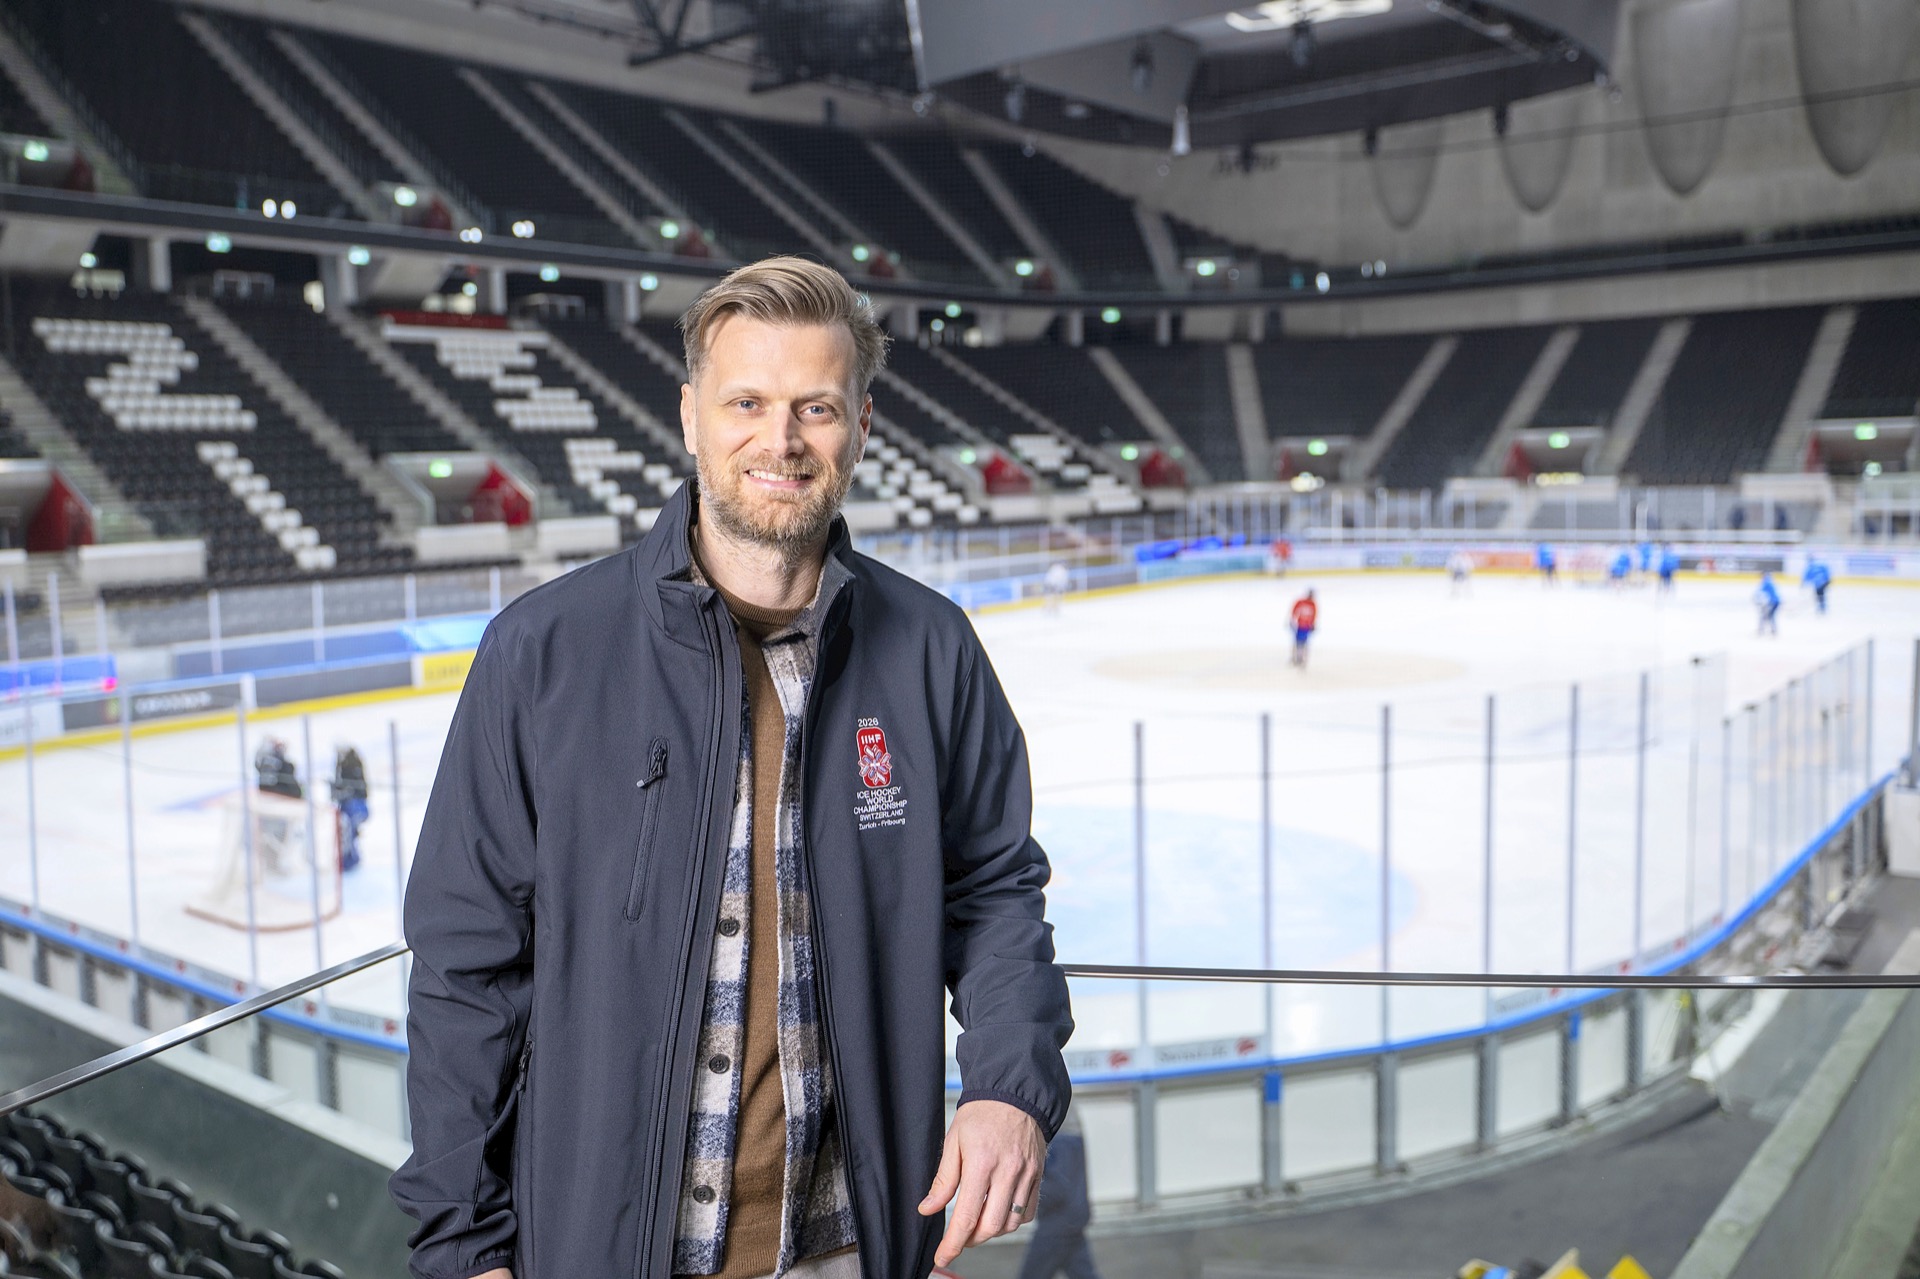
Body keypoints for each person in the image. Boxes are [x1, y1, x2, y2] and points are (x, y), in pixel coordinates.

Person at [390, 258, 1073, 1279]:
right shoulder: (542, 654)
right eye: (746, 402)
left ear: (861, 427)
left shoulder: (932, 650)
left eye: (816, 408)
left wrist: (1008, 1086)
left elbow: (995, 893)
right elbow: (464, 973)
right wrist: (465, 1248)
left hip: (850, 1247)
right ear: (690, 417)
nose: (781, 439)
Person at [1014, 1108, 1103, 1279]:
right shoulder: (1070, 1140)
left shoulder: (1059, 1144)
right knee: (1082, 1273)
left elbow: (1057, 1189)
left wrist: (1021, 1195)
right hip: (1071, 1221)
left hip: (1056, 1225)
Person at [330, 743, 368, 873]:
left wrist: (344, 792)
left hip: (355, 805)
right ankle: (348, 858)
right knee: (346, 830)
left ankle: (349, 859)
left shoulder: (352, 763)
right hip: (348, 805)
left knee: (349, 830)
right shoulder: (342, 764)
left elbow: (357, 788)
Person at [1289, 588, 1317, 669]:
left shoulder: (1313, 604)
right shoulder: (1301, 602)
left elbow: (1314, 615)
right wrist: (1292, 620)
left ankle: (1302, 658)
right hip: (1299, 625)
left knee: (1304, 643)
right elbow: (1294, 610)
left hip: (1306, 627)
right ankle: (1296, 657)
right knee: (1297, 642)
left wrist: (1313, 624)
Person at [1756, 571, 1781, 636]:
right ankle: (1771, 630)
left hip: (1772, 602)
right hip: (1775, 601)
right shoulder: (1770, 581)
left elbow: (1759, 592)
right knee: (1769, 616)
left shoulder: (1766, 582)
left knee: (1765, 616)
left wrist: (1757, 601)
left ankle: (1762, 630)